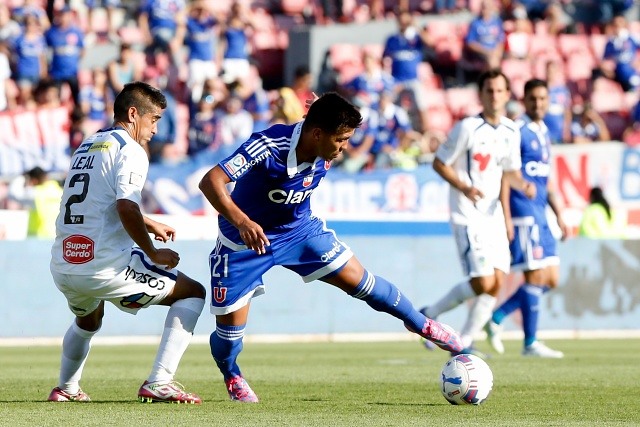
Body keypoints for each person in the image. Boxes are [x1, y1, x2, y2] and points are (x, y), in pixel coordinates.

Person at [198, 92, 463, 403]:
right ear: (317, 134)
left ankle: (423, 324)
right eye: (341, 139)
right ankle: (232, 375)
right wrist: (242, 222)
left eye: (348, 139)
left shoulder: (322, 141)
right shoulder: (269, 145)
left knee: (364, 283)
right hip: (243, 242)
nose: (344, 147)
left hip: (299, 232)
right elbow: (210, 181)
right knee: (229, 338)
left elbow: (321, 112)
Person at [48, 81, 206, 404]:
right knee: (192, 293)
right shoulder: (131, 150)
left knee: (89, 319)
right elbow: (125, 206)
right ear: (133, 114)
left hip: (65, 265)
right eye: (154, 120)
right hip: (104, 267)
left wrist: (148, 221)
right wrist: (152, 251)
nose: (155, 129)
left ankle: (66, 388)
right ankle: (160, 381)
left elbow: (99, 200)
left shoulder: (89, 145)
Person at [420, 69, 536, 354]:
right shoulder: (467, 127)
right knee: (483, 281)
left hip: (494, 216)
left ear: (508, 95)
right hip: (466, 214)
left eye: (500, 91)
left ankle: (466, 341)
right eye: (489, 91)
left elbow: (510, 174)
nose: (495, 96)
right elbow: (439, 162)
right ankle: (430, 314)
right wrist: (464, 186)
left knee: (496, 284)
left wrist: (522, 188)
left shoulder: (511, 130)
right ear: (481, 95)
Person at [484, 78, 568, 358]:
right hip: (523, 213)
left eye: (543, 99)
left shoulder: (544, 131)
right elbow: (507, 175)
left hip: (542, 213)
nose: (538, 104)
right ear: (524, 100)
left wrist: (559, 214)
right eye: (533, 99)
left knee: (551, 278)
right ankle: (530, 342)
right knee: (535, 275)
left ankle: (496, 317)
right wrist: (506, 216)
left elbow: (548, 179)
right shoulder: (517, 130)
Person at [8, 166, 63, 238]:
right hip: (57, 236)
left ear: (34, 180)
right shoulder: (60, 192)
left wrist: (21, 177)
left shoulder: (35, 193)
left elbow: (13, 194)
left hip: (38, 238)